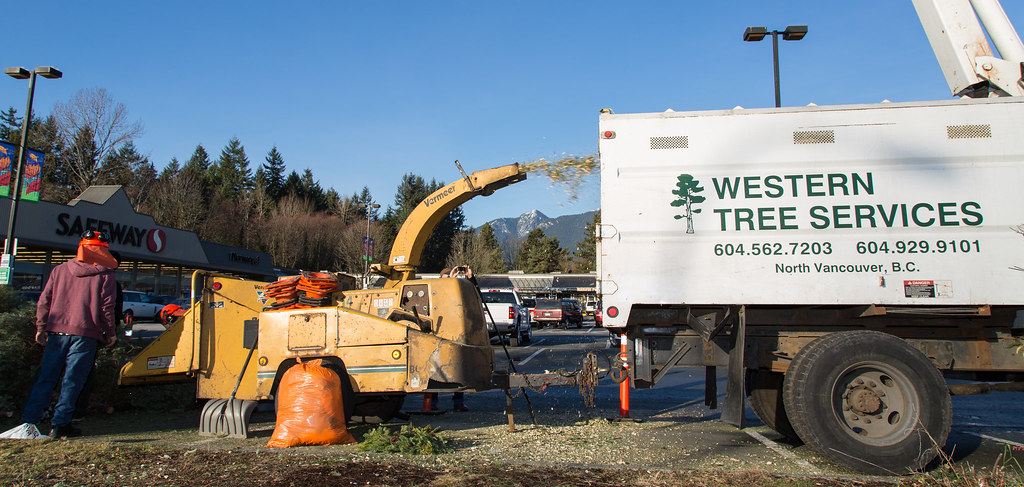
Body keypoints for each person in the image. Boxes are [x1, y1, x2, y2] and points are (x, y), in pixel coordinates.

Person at [21, 230, 118, 438]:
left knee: (46, 377)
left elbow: (44, 300)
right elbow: (106, 308)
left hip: (57, 331)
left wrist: (41, 327)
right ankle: (60, 425)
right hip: (85, 333)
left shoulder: (60, 270)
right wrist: (110, 332)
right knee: (73, 380)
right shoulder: (106, 275)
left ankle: (29, 423)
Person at [425, 266, 475, 412]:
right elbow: (440, 295)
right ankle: (431, 402)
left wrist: (470, 278)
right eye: (446, 276)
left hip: (456, 333)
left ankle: (458, 401)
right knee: (434, 368)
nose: (450, 278)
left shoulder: (457, 289)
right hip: (438, 333)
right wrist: (450, 278)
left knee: (459, 367)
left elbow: (474, 294)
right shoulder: (435, 289)